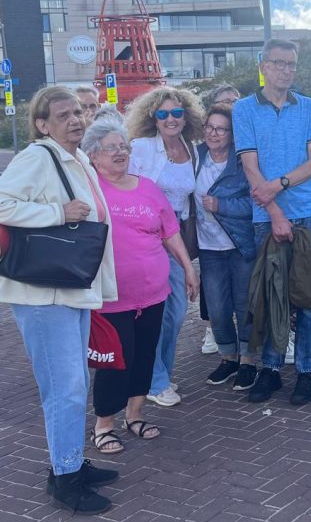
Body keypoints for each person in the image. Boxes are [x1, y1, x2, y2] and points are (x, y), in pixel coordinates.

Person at [0, 86, 118, 514]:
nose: (75, 120)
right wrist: (56, 213)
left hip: (67, 287)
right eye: (64, 115)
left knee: (72, 384)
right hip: (43, 293)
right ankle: (66, 478)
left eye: (79, 113)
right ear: (42, 124)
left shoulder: (76, 156)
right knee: (64, 388)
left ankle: (68, 462)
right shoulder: (37, 156)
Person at [85, 117, 199, 453]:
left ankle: (134, 416)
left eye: (123, 146)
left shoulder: (147, 186)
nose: (120, 152)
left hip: (153, 293)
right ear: (93, 156)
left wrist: (188, 270)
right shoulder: (89, 189)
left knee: (145, 355)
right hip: (110, 297)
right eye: (111, 148)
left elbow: (170, 231)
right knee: (115, 361)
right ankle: (103, 425)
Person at [232, 39, 311, 405]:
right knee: (271, 296)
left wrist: (280, 184)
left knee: (308, 296)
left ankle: (308, 371)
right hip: (265, 217)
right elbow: (249, 166)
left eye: (292, 64)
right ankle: (270, 369)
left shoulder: (309, 107)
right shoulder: (244, 109)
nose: (286, 70)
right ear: (263, 65)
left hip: (308, 212)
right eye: (279, 63)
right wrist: (274, 211)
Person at [126, 86, 204, 408]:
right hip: (146, 235)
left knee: (176, 311)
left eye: (176, 113)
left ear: (186, 116)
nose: (170, 119)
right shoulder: (141, 148)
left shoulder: (194, 149)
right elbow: (126, 188)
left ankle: (160, 374)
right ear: (153, 119)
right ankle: (155, 381)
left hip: (177, 234)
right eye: (162, 114)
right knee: (158, 312)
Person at [193, 105, 260, 389]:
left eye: (220, 128)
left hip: (239, 244)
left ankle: (248, 361)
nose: (213, 133)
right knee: (218, 308)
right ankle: (228, 358)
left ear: (232, 134)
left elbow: (256, 200)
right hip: (208, 247)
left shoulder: (242, 162)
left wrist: (223, 206)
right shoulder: (195, 157)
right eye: (209, 126)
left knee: (244, 305)